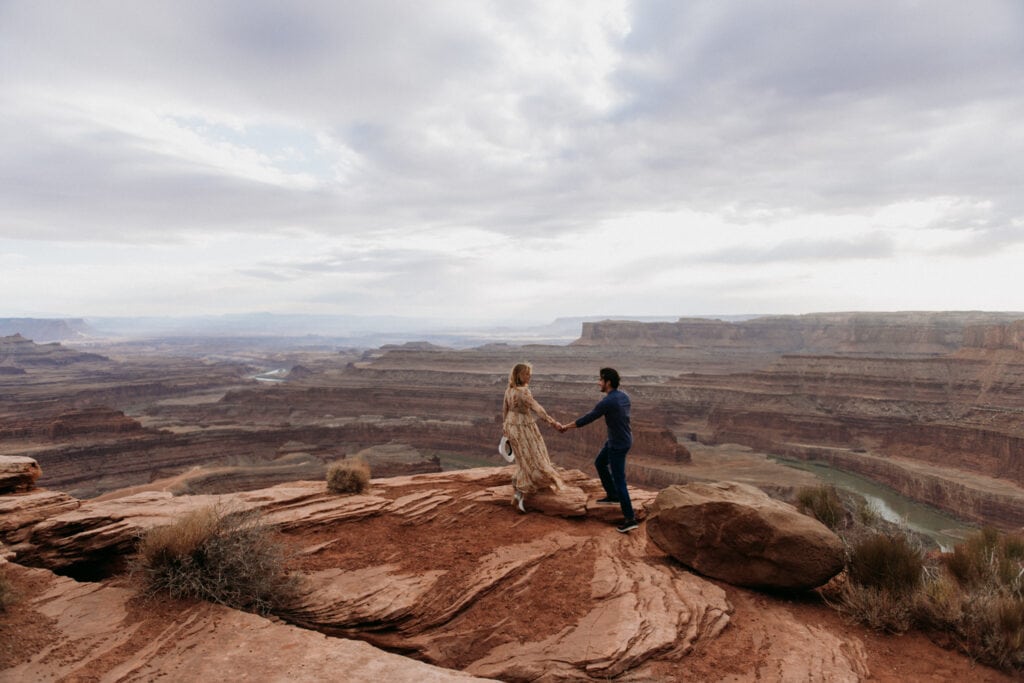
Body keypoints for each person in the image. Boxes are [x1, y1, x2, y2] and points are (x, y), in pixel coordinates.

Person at [558, 367, 636, 533]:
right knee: (600, 462)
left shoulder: (608, 402)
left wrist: (566, 426)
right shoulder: (623, 396)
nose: (598, 382)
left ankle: (630, 518)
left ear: (608, 382)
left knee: (619, 479)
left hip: (618, 444)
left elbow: (588, 418)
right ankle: (613, 495)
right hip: (621, 439)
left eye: (600, 380)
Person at [502, 362, 564, 512]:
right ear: (519, 375)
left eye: (530, 373)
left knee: (523, 460)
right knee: (534, 459)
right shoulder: (524, 391)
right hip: (525, 427)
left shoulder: (509, 391)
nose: (529, 376)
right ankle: (520, 497)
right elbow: (537, 408)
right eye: (527, 374)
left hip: (511, 426)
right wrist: (553, 422)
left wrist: (505, 429)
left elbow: (504, 410)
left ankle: (518, 495)